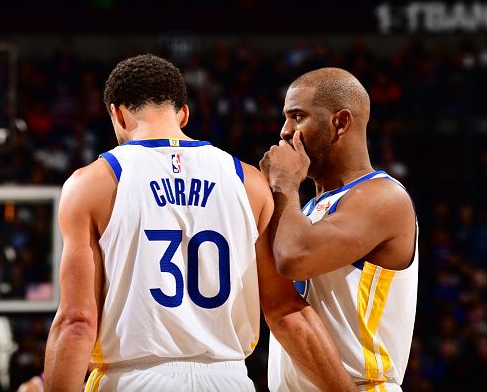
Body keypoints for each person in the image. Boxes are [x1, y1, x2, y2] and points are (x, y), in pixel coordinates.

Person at [44, 54, 356, 391]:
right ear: (183, 114)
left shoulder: (93, 183)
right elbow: (286, 311)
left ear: (117, 114)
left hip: (134, 379)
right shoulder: (248, 181)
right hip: (228, 378)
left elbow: (76, 323)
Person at [259, 67, 418, 392]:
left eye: (297, 117)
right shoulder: (303, 211)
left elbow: (294, 258)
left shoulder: (383, 197)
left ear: (341, 122)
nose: (285, 132)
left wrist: (284, 184)